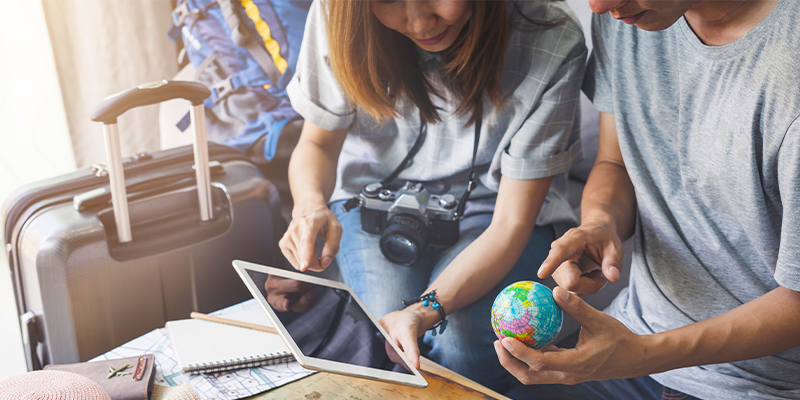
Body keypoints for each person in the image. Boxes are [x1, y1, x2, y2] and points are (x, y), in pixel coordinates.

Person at [271, 0, 587, 391]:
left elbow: (511, 222)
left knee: (457, 350)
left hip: (495, 210)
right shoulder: (340, 12)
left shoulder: (550, 34)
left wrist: (426, 310)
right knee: (392, 337)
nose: (420, 23)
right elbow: (316, 145)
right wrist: (309, 205)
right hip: (373, 202)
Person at [497, 0, 800, 399]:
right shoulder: (631, 18)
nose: (599, 6)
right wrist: (600, 223)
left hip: (750, 382)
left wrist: (641, 354)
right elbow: (614, 162)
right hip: (632, 336)